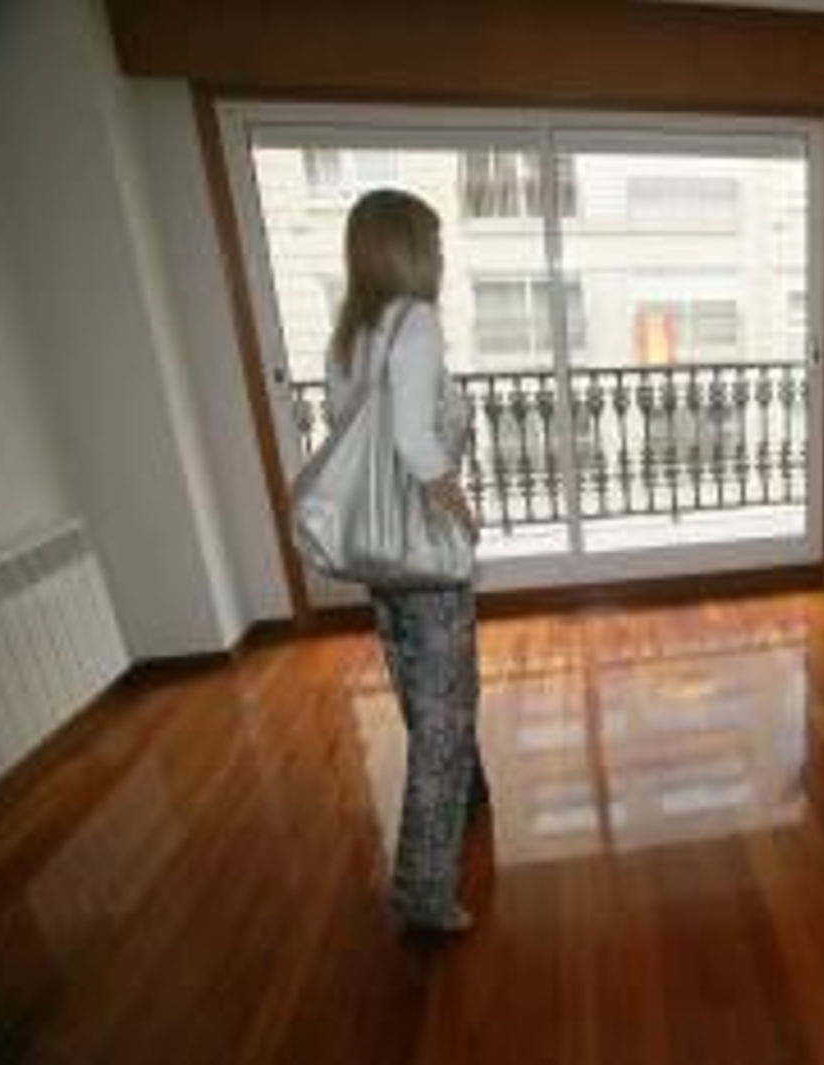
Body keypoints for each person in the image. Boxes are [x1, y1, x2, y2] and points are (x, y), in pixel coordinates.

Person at [324, 189, 485, 935]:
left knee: (419, 685)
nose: (443, 255)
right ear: (408, 249)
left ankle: (470, 792)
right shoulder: (414, 321)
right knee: (445, 717)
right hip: (422, 546)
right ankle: (423, 892)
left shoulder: (350, 328)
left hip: (378, 551)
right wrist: (461, 507)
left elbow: (344, 424)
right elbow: (418, 444)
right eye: (434, 240)